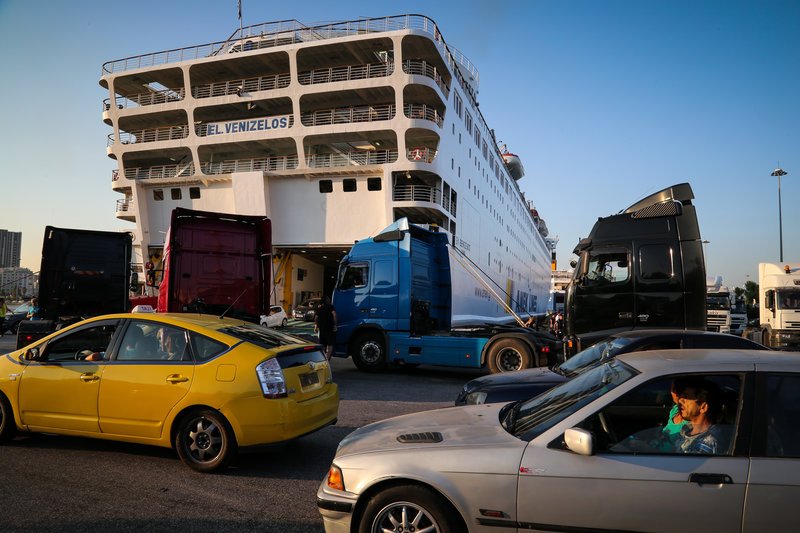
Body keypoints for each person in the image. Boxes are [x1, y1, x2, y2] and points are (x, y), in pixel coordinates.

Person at [674, 378, 724, 454]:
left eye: (686, 397)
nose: (680, 400)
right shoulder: (687, 430)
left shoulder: (707, 443)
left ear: (703, 407)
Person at [314, 295, 337, 361]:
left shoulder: (320, 308)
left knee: (323, 345)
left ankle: (323, 359)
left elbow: (315, 318)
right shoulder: (330, 307)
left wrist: (316, 326)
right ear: (327, 300)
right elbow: (334, 315)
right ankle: (327, 359)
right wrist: (335, 325)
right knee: (330, 345)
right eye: (328, 298)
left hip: (322, 329)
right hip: (330, 328)